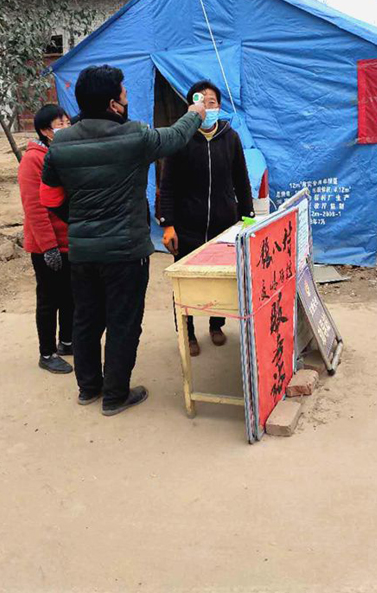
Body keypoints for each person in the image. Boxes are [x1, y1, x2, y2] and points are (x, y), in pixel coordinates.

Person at [40, 65, 206, 416]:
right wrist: (195, 113)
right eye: (125, 94)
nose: (128, 99)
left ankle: (89, 388)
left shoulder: (60, 144)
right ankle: (115, 395)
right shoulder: (135, 137)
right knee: (123, 322)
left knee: (86, 320)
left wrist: (81, 223)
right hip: (126, 252)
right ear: (113, 105)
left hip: (82, 252)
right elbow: (175, 137)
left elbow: (50, 199)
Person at [157, 81, 254, 356]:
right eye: (201, 102)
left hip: (224, 226)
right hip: (187, 227)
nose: (207, 107)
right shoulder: (180, 138)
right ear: (192, 107)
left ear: (219, 107)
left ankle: (216, 324)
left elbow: (242, 181)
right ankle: (187, 332)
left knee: (220, 281)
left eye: (212, 102)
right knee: (185, 285)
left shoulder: (231, 137)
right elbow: (168, 184)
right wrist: (168, 224)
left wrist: (247, 220)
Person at [18, 104, 74, 375]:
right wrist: (49, 247)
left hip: (68, 240)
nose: (66, 127)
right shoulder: (33, 160)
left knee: (70, 295)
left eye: (67, 122)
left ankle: (67, 341)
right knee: (49, 299)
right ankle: (47, 353)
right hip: (46, 244)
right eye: (59, 124)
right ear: (44, 130)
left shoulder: (62, 153)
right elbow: (35, 207)